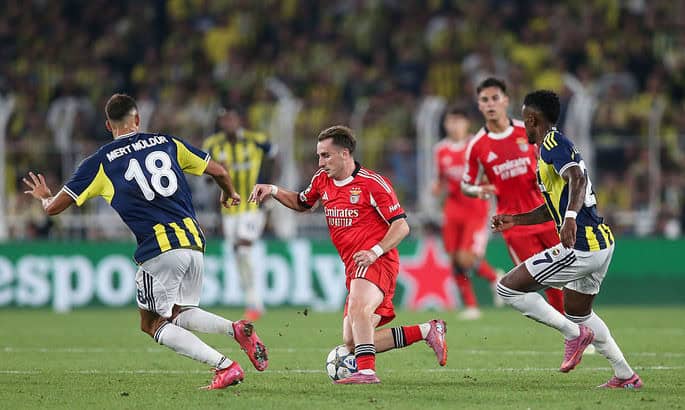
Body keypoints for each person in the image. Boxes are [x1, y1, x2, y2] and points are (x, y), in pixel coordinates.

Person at [22, 94, 269, 390]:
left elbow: (53, 208)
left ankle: (225, 366)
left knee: (151, 323)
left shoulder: (100, 162)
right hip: (194, 242)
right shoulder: (168, 142)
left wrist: (44, 197)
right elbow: (219, 170)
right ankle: (236, 329)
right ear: (137, 119)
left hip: (160, 248)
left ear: (108, 125)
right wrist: (229, 193)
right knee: (177, 311)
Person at [249, 125, 447, 384]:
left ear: (344, 154)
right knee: (353, 341)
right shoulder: (322, 180)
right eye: (319, 156)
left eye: (326, 155)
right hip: (354, 265)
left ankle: (366, 372)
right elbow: (302, 202)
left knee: (358, 308)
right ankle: (426, 330)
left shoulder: (372, 183)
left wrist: (375, 251)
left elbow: (401, 226)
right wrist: (273, 190)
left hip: (377, 259)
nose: (320, 162)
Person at [492, 89, 641, 389]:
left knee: (506, 288)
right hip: (601, 243)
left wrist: (570, 219)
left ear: (532, 119)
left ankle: (573, 334)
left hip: (581, 246)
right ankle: (626, 375)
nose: (523, 125)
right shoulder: (553, 147)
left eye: (524, 119)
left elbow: (578, 177)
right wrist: (516, 220)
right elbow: (553, 207)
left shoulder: (552, 144)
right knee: (578, 311)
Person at [462, 77, 565, 314]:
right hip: (515, 225)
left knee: (568, 278)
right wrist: (478, 190)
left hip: (547, 216)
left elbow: (555, 158)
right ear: (479, 105)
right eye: (484, 100)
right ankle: (573, 329)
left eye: (494, 98)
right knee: (543, 282)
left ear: (505, 101)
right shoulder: (477, 145)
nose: (490, 104)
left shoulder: (527, 130)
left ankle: (579, 326)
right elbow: (466, 184)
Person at [203, 105, 276, 321]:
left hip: (253, 206)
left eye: (232, 119)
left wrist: (269, 186)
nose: (229, 123)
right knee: (238, 255)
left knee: (244, 249)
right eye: (225, 120)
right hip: (229, 210)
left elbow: (275, 157)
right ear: (220, 122)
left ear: (239, 120)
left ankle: (254, 304)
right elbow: (207, 180)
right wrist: (219, 173)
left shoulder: (256, 140)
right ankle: (254, 301)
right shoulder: (212, 145)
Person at [432, 105, 503, 320]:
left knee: (465, 257)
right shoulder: (440, 150)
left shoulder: (476, 145)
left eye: (458, 121)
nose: (454, 126)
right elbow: (441, 179)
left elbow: (491, 173)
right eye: (450, 121)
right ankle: (471, 306)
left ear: (466, 124)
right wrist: (437, 188)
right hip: (453, 208)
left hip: (476, 208)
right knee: (454, 259)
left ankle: (494, 278)